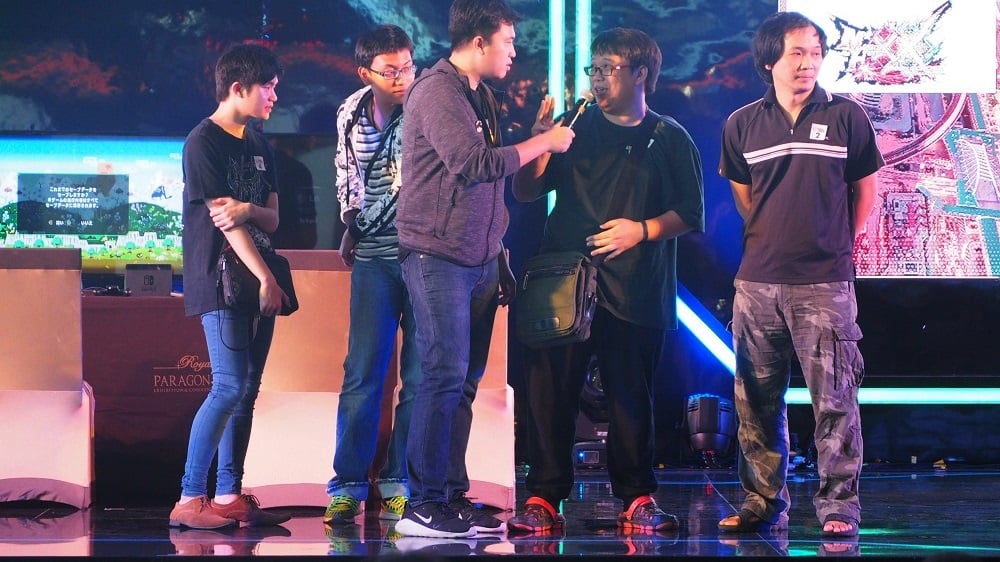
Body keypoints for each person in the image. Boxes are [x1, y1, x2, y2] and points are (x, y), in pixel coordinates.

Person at [507, 27, 705, 534]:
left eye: (608, 69)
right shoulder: (573, 127)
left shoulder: (668, 137)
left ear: (640, 74)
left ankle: (637, 498)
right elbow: (526, 191)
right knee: (550, 394)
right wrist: (541, 142)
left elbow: (690, 212)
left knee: (631, 399)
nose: (597, 79)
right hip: (564, 285)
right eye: (593, 69)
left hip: (636, 287)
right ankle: (543, 497)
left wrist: (643, 229)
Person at [394, 0, 575, 539]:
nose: (514, 51)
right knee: (442, 376)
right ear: (479, 42)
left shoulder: (483, 97)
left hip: (480, 260)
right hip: (437, 258)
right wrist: (544, 141)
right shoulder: (436, 91)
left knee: (465, 383)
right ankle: (422, 503)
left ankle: (451, 495)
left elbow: (493, 184)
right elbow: (473, 165)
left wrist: (497, 252)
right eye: (508, 41)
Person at [716, 11, 882, 538]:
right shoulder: (742, 124)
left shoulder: (847, 116)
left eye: (815, 53)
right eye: (797, 53)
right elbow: (745, 199)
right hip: (757, 284)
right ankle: (762, 503)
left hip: (825, 283)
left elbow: (866, 192)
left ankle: (839, 508)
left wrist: (833, 245)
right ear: (770, 60)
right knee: (756, 403)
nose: (808, 63)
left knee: (835, 401)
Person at [170, 43, 292, 530]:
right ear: (238, 88)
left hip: (257, 279)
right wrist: (265, 277)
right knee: (227, 386)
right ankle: (189, 497)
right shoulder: (202, 142)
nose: (274, 97)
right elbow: (226, 222)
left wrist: (249, 209)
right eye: (268, 87)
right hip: (221, 280)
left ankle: (228, 494)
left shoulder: (260, 146)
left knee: (248, 389)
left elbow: (272, 218)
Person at [323, 24, 420, 526]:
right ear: (366, 73)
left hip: (425, 256)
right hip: (374, 259)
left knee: (418, 377)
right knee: (362, 372)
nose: (402, 78)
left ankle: (400, 481)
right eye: (390, 71)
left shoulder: (425, 107)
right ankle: (347, 485)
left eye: (408, 67)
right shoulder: (350, 111)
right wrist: (350, 223)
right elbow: (346, 175)